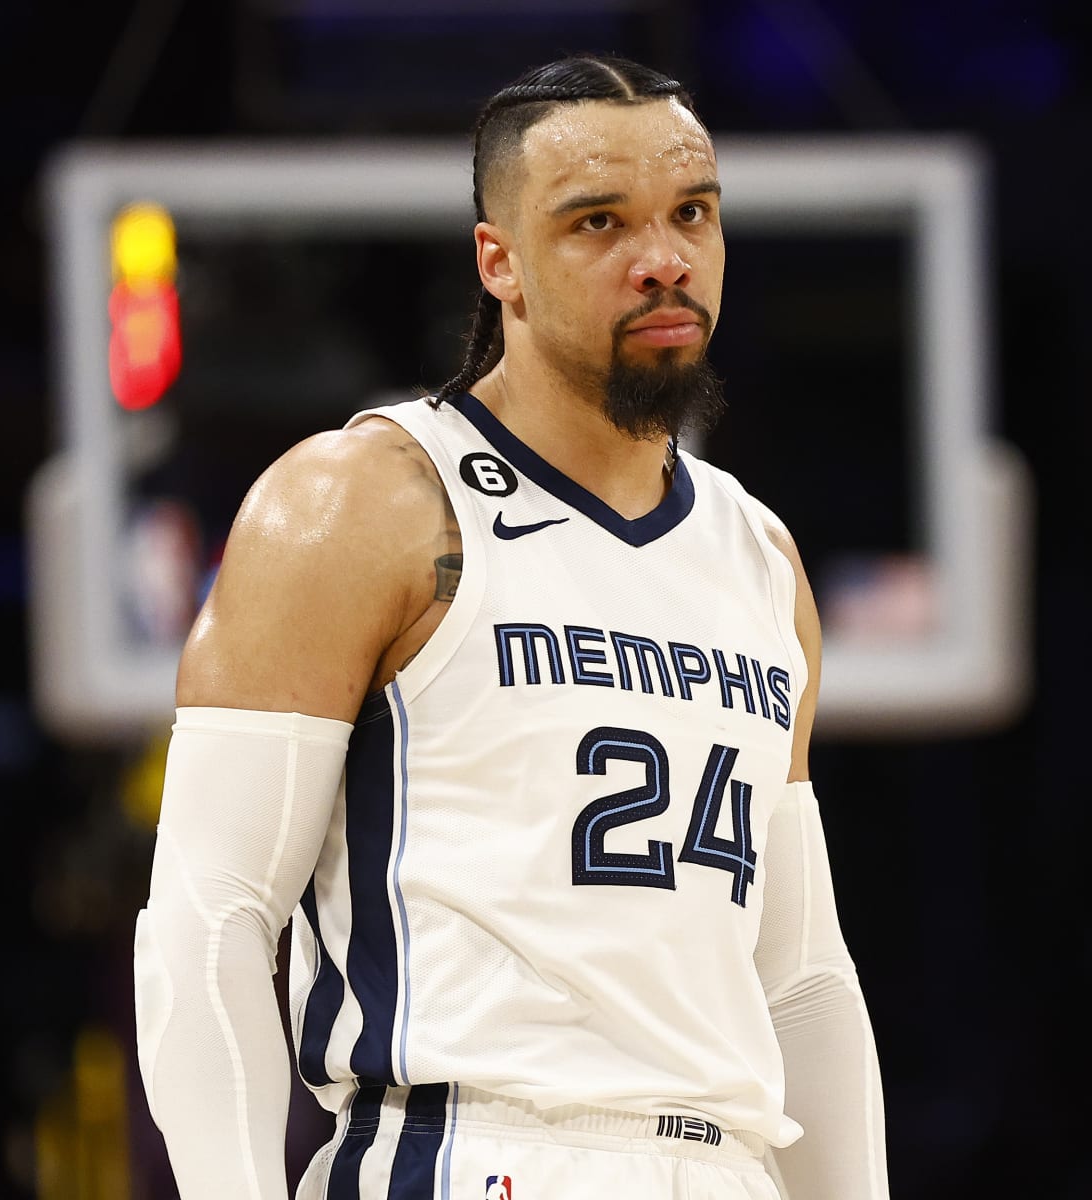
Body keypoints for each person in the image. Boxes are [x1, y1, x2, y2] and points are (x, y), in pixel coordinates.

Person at [133, 52, 890, 1200]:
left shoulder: (759, 557)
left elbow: (801, 981)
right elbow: (211, 911)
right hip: (469, 1150)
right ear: (502, 262)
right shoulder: (361, 502)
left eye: (693, 214)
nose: (663, 260)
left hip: (726, 1165)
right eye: (599, 223)